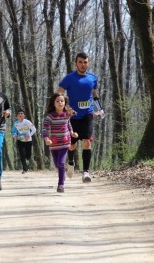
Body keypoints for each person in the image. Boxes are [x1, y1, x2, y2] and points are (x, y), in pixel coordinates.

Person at [56, 52, 103, 183]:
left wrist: (100, 109)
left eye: (85, 62)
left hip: (88, 114)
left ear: (88, 63)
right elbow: (59, 92)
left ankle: (86, 172)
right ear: (76, 63)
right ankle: (70, 162)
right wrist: (66, 108)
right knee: (72, 145)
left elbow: (94, 94)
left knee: (86, 141)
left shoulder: (93, 78)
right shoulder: (69, 78)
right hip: (72, 116)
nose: (83, 65)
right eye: (80, 62)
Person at [42, 93, 78, 193]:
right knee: (57, 165)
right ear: (53, 103)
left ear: (65, 102)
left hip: (65, 142)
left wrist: (72, 133)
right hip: (54, 144)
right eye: (57, 101)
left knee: (61, 163)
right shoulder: (50, 116)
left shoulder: (67, 114)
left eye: (62, 101)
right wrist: (46, 139)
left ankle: (60, 185)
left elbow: (69, 124)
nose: (60, 103)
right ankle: (63, 174)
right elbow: (44, 129)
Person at [11, 109, 37, 174]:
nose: (20, 115)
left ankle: (28, 162)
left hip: (28, 141)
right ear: (17, 116)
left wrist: (29, 135)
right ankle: (24, 169)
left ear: (24, 115)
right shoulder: (15, 123)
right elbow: (14, 132)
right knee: (22, 155)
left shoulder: (27, 122)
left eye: (21, 113)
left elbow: (34, 130)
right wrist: (15, 136)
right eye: (19, 113)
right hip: (20, 141)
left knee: (28, 155)